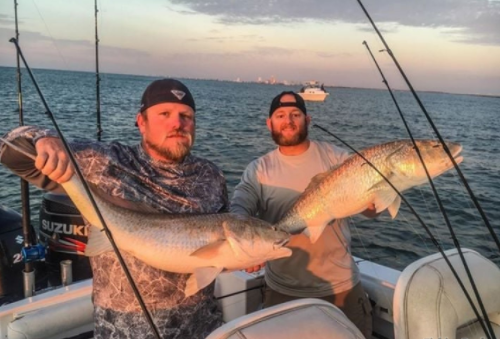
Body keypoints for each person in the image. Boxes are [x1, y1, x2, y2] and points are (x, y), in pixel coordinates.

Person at [0, 79, 227, 339]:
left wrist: (247, 256)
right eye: (164, 114)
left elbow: (217, 248)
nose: (177, 123)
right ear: (141, 122)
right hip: (122, 327)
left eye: (186, 116)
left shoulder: (212, 175)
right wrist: (45, 138)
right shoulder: (104, 161)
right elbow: (9, 148)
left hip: (202, 325)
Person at [230, 91, 374, 337]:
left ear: (307, 119)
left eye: (296, 114)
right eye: (281, 115)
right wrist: (245, 245)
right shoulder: (259, 169)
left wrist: (374, 201)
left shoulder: (337, 158)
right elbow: (239, 208)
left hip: (342, 287)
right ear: (269, 123)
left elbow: (371, 209)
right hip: (282, 290)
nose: (289, 121)